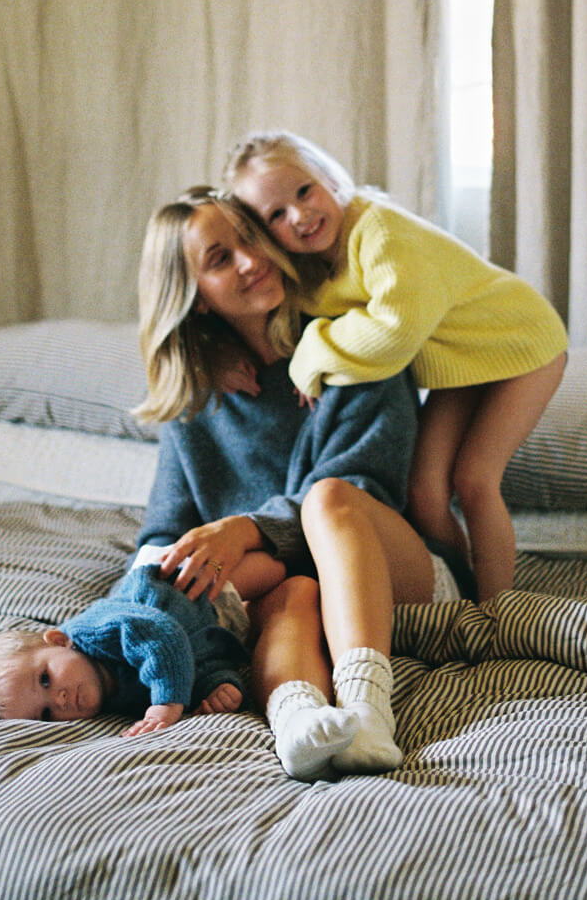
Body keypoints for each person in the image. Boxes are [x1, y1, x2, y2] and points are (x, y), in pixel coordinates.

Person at [133, 186, 457, 781]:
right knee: (291, 594)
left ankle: (368, 710)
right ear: (195, 299)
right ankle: (298, 726)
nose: (250, 261)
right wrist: (145, 598)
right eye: (220, 258)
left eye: (250, 238)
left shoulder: (354, 344)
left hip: (391, 569)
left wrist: (244, 530)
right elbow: (164, 531)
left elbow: (367, 487)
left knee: (331, 497)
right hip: (283, 589)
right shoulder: (198, 399)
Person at [224, 130, 568, 603]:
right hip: (464, 361)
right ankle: (459, 594)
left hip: (524, 341)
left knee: (474, 480)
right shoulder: (310, 269)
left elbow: (394, 332)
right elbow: (269, 321)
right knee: (424, 494)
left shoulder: (381, 232)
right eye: (276, 215)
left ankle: (496, 611)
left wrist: (312, 354)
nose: (299, 216)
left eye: (304, 191)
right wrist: (219, 356)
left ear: (328, 178)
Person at [0, 550, 248, 735]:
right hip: (216, 633)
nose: (59, 699)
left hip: (191, 586)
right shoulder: (108, 703)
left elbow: (163, 636)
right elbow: (189, 670)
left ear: (59, 641)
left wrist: (167, 704)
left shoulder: (95, 630)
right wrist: (219, 687)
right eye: (45, 714)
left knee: (264, 571)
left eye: (45, 680)